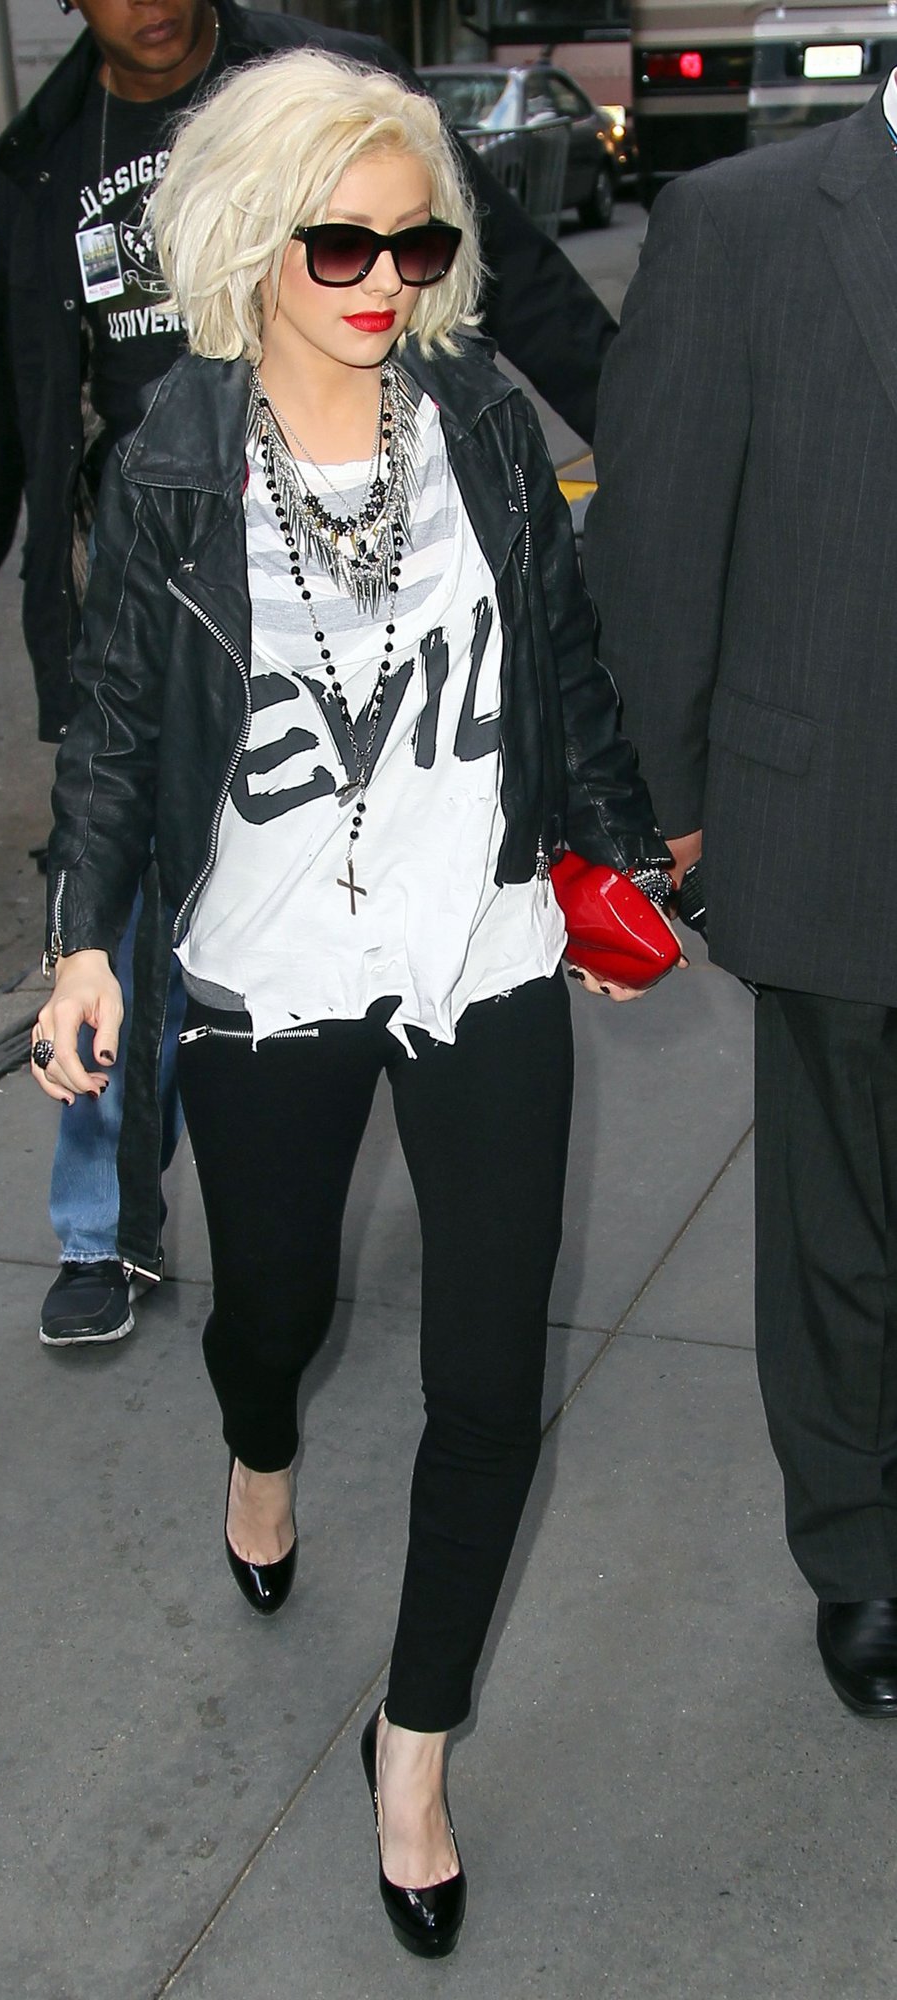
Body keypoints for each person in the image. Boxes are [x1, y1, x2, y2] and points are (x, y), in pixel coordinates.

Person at [29, 50, 678, 1955]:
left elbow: (559, 655)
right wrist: (81, 937)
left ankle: (414, 1750)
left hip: (482, 951)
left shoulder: (478, 426)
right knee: (279, 1314)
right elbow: (115, 732)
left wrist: (622, 851)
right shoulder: (169, 461)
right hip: (271, 975)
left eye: (417, 245)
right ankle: (259, 1445)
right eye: (343, 245)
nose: (387, 280)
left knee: (489, 1380)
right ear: (254, 242)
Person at [0, 0, 623, 1350]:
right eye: (343, 245)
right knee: (134, 949)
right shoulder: (45, 163)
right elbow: (3, 395)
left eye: (407, 246)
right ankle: (118, 1244)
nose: (152, 3)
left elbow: (513, 284)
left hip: (394, 696)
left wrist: (654, 426)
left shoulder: (336, 94)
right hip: (176, 614)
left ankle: (209, 1228)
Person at [584, 75, 897, 1719]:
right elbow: (654, 529)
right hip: (841, 813)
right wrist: (671, 807)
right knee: (846, 1222)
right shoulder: (745, 224)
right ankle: (862, 1550)